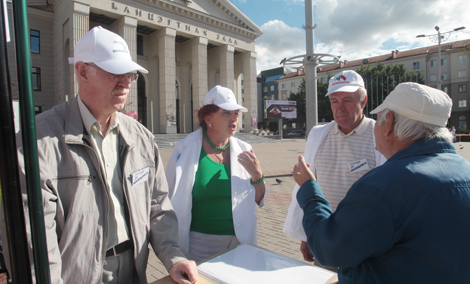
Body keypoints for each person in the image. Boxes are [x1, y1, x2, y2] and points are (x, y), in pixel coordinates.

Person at [0, 26, 197, 284]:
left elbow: (157, 206)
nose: (126, 81)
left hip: (133, 269)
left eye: (130, 74)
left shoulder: (142, 138)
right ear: (82, 71)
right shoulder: (37, 142)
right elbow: (33, 242)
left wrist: (173, 256)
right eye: (116, 71)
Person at [292, 82, 470, 283]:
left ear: (390, 123)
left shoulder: (383, 187)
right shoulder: (465, 170)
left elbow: (329, 249)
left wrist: (308, 188)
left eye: (379, 120)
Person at [284, 71, 385, 270]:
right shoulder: (318, 134)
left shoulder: (379, 134)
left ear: (363, 101)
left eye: (347, 100)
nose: (339, 107)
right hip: (326, 237)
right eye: (334, 101)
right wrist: (307, 236)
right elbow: (311, 186)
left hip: (365, 243)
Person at [166, 85, 267, 263]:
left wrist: (257, 176)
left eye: (236, 113)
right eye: (226, 113)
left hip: (240, 241)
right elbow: (167, 198)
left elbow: (258, 200)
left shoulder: (245, 149)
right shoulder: (184, 149)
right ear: (208, 118)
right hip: (199, 245)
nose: (234, 118)